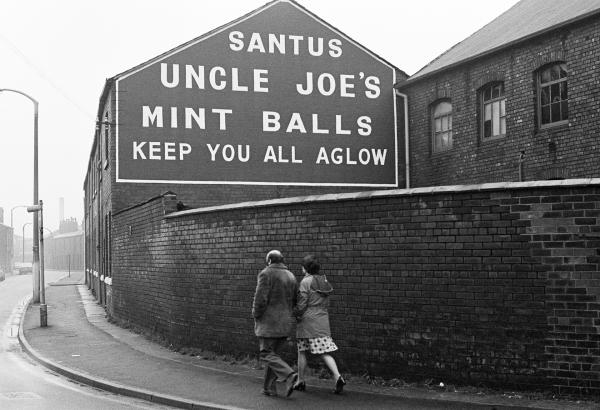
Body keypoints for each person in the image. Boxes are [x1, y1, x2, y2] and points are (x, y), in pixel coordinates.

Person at [293, 254, 346, 394]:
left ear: (305, 268)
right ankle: (337, 377)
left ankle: (301, 381)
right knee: (324, 352)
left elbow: (302, 304)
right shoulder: (324, 281)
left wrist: (295, 313)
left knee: (302, 351)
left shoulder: (306, 282)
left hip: (307, 322)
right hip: (322, 320)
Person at [252, 250, 299, 397]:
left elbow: (260, 299)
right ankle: (269, 388)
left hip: (269, 322)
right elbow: (296, 300)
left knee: (266, 354)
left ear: (269, 260)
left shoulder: (266, 274)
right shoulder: (291, 275)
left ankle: (290, 375)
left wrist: (256, 314)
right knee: (274, 357)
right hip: (285, 323)